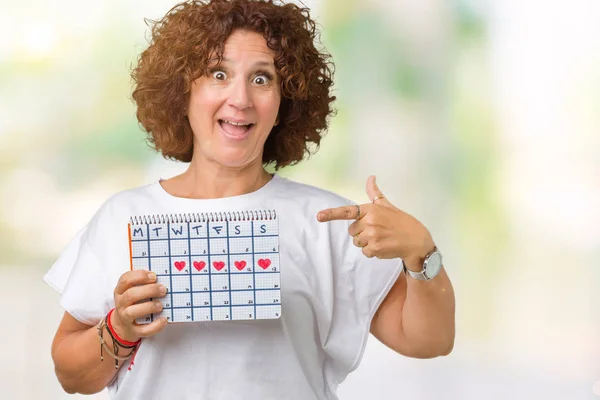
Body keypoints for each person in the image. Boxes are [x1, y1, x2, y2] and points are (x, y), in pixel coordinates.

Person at [44, 0, 455, 399]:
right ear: (182, 92)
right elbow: (71, 375)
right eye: (218, 73)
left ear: (284, 103)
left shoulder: (325, 221)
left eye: (262, 79)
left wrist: (422, 253)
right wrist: (119, 328)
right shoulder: (123, 218)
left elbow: (428, 341)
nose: (240, 99)